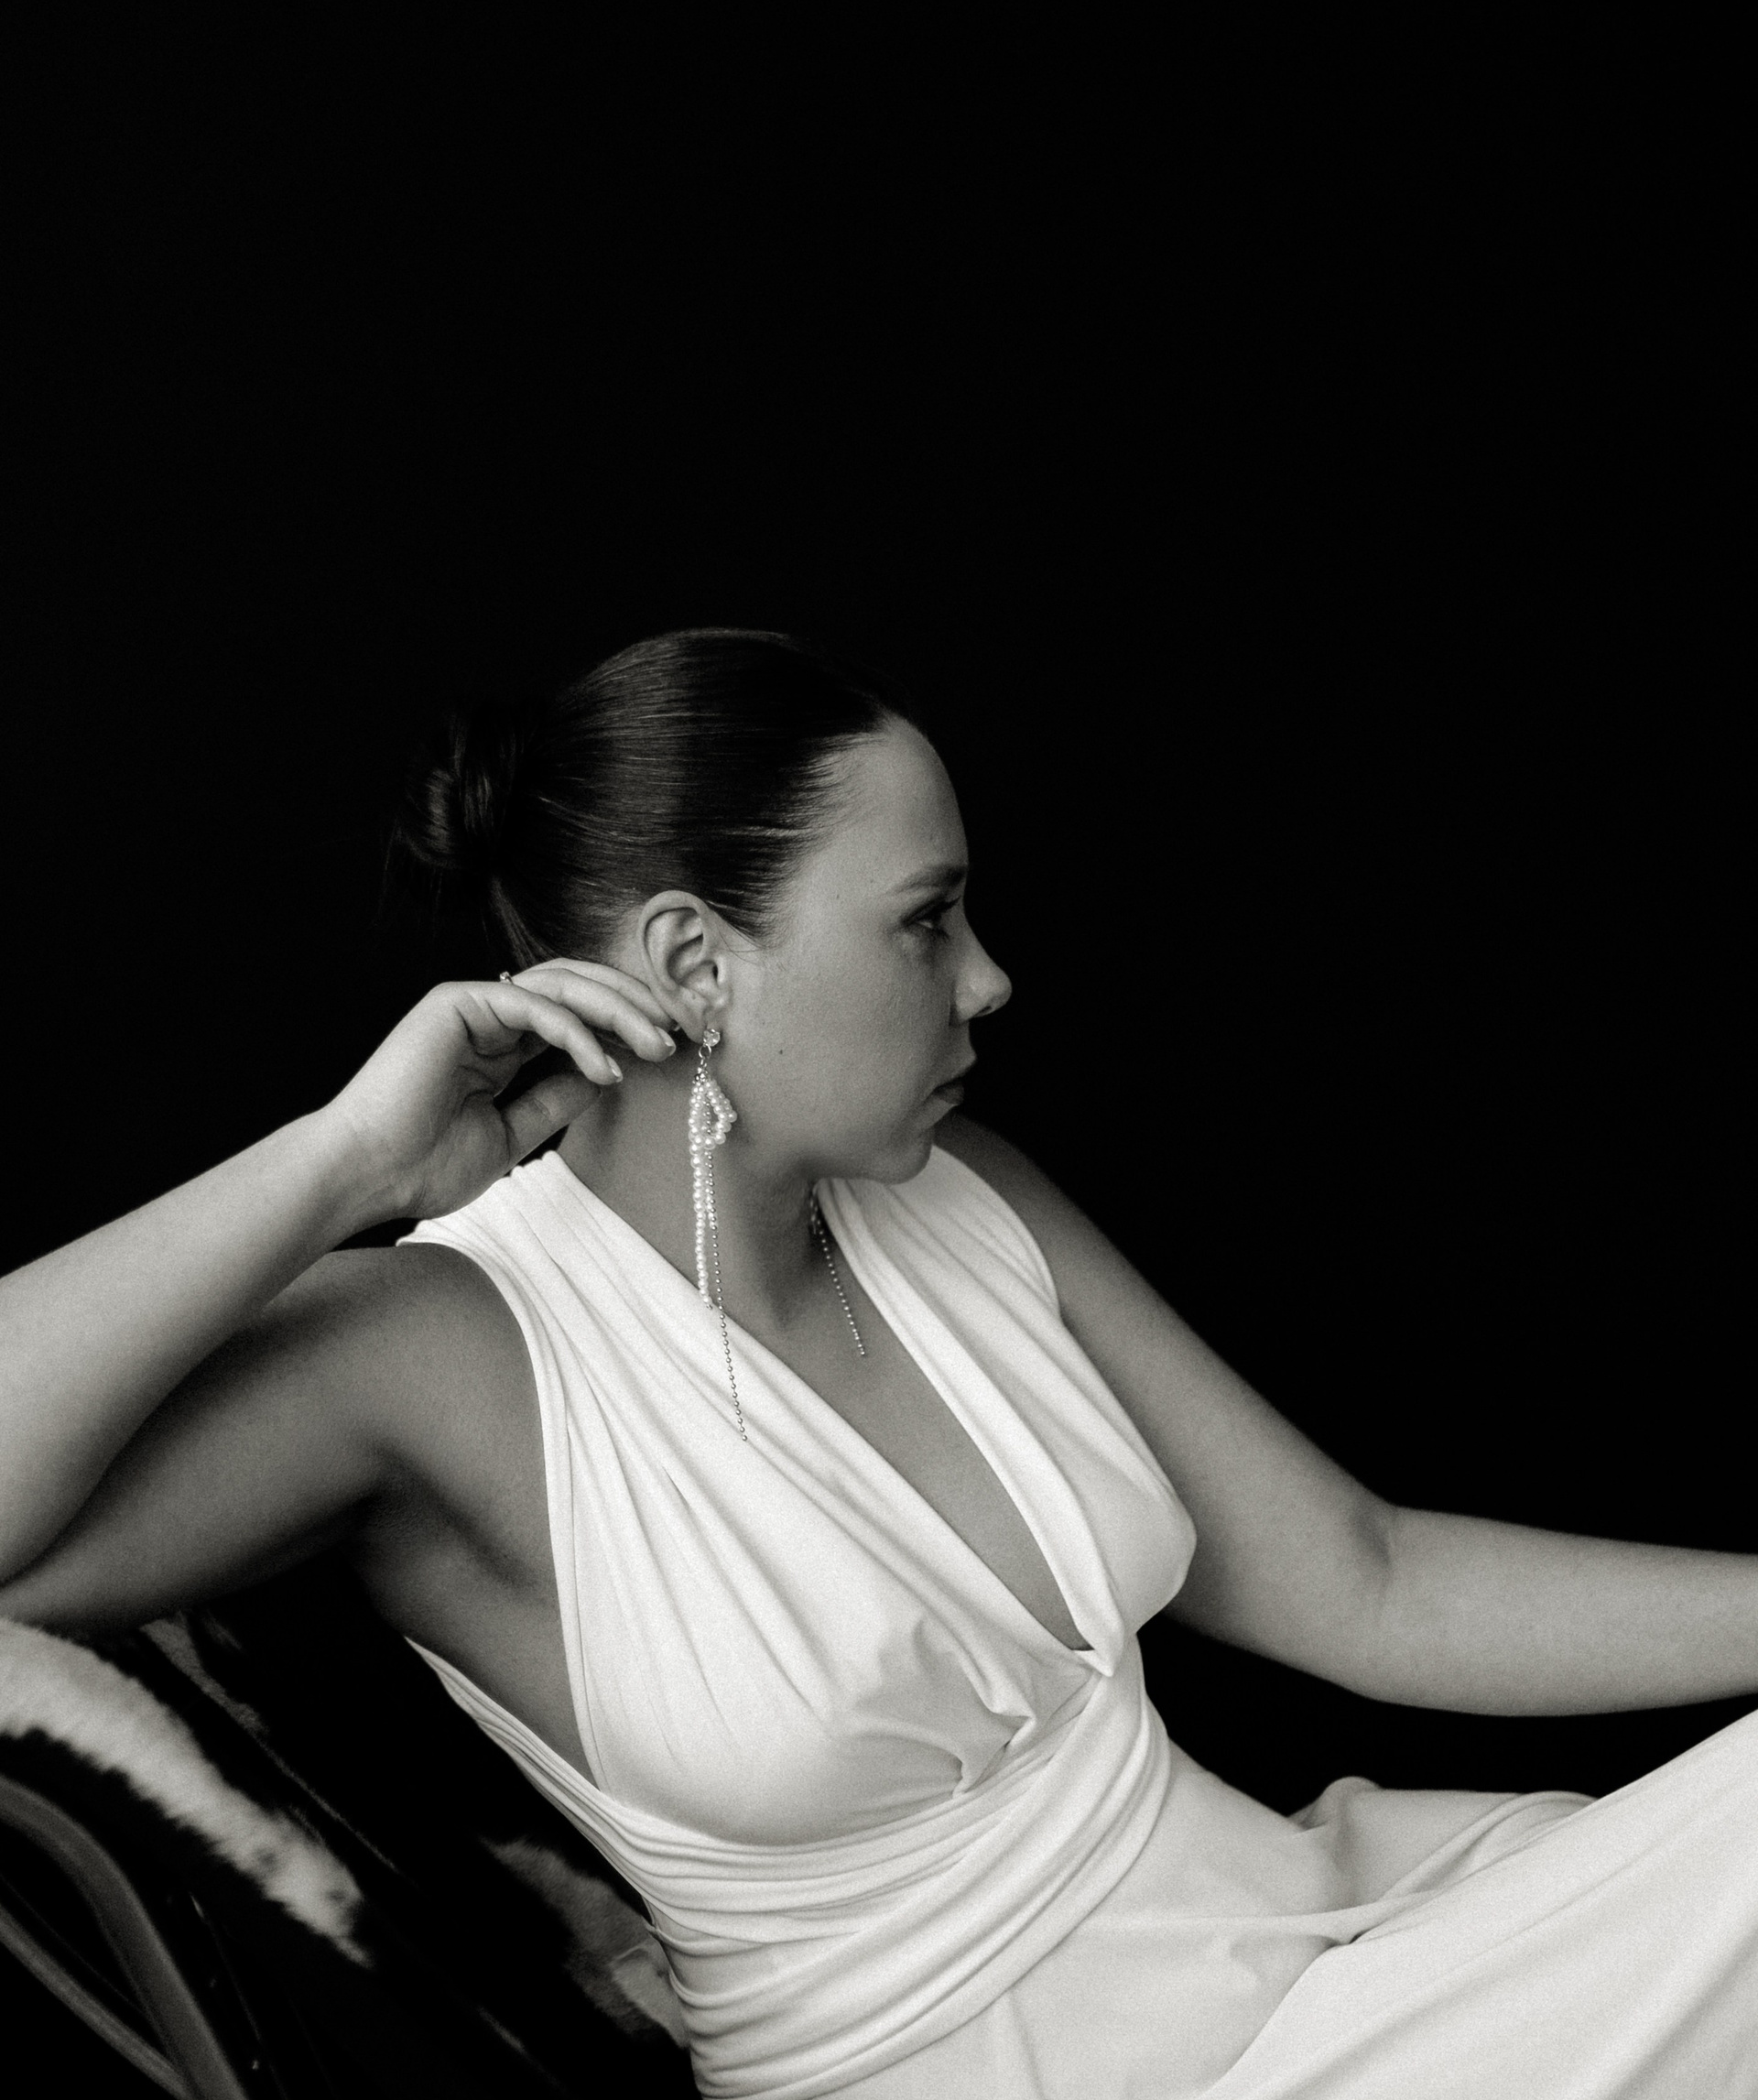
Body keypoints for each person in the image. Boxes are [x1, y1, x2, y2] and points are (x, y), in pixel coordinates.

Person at [3, 626, 1757, 2100]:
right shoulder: (442, 1350)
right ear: (695, 963)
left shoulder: (957, 1194)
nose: (988, 982)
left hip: (1331, 1941)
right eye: (926, 921)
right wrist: (343, 1163)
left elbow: (1366, 1581)